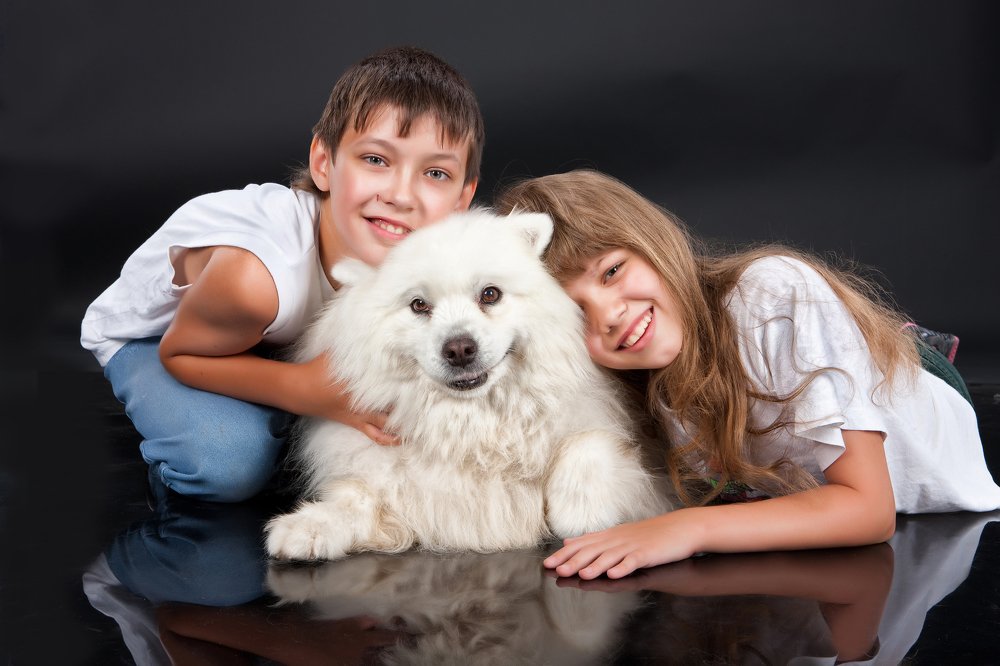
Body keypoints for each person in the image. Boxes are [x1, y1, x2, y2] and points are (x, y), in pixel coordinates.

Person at [494, 170, 1000, 579]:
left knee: (842, 356)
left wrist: (688, 529)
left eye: (612, 271)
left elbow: (869, 510)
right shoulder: (636, 378)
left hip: (925, 389)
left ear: (652, 240)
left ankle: (900, 343)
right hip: (775, 432)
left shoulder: (769, 295)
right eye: (577, 314)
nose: (608, 315)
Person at [81, 46, 483, 502]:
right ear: (324, 163)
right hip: (168, 341)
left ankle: (280, 409)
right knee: (227, 462)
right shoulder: (254, 278)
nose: (401, 195)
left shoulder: (433, 255)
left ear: (462, 198)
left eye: (435, 173)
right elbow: (181, 355)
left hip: (264, 338)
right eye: (376, 160)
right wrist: (305, 389)